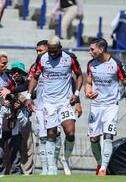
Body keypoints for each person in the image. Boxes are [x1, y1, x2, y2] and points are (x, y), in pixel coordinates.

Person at [26, 36, 83, 175]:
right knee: (51, 133)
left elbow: (79, 75)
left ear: (60, 48)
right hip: (48, 102)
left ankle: (65, 158)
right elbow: (35, 77)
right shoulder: (42, 59)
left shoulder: (69, 57)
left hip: (64, 102)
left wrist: (76, 93)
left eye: (54, 51)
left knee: (70, 132)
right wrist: (28, 95)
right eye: (49, 51)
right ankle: (51, 167)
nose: (51, 54)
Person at [85, 38, 126, 176]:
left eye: (92, 49)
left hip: (111, 106)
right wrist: (88, 92)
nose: (90, 52)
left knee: (108, 135)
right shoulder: (91, 64)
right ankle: (100, 162)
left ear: (101, 49)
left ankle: (103, 169)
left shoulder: (116, 64)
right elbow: (88, 83)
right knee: (94, 139)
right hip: (96, 106)